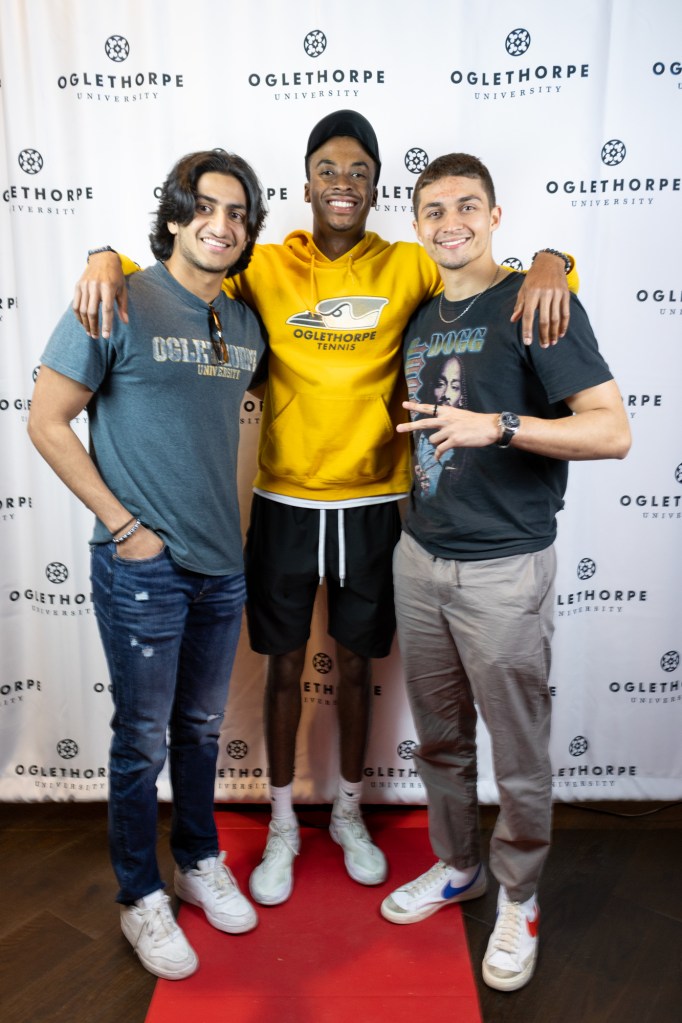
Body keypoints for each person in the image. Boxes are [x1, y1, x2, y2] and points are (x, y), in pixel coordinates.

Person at [71, 111, 577, 908]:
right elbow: (179, 279)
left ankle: (346, 811)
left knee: (354, 665)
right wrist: (104, 254)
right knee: (281, 665)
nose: (343, 183)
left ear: (376, 189)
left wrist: (554, 259)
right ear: (305, 184)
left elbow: (489, 277)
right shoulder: (265, 264)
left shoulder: (409, 262)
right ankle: (281, 820)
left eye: (359, 172)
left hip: (375, 500)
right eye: (328, 170)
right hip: (284, 500)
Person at [379, 153, 631, 992]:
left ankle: (520, 896)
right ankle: (459, 865)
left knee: (517, 754)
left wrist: (504, 425)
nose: (449, 222)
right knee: (441, 738)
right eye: (433, 208)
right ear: (417, 223)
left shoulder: (538, 302)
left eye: (467, 205)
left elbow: (610, 430)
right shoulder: (421, 315)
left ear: (494, 216)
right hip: (420, 559)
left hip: (504, 570)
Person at [27, 149, 268, 980]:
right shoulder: (117, 295)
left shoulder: (246, 323)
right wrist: (124, 525)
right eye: (204, 206)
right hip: (143, 569)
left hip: (222, 565)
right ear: (173, 215)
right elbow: (46, 419)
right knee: (140, 740)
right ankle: (139, 894)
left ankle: (197, 860)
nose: (221, 224)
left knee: (199, 729)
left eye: (236, 213)